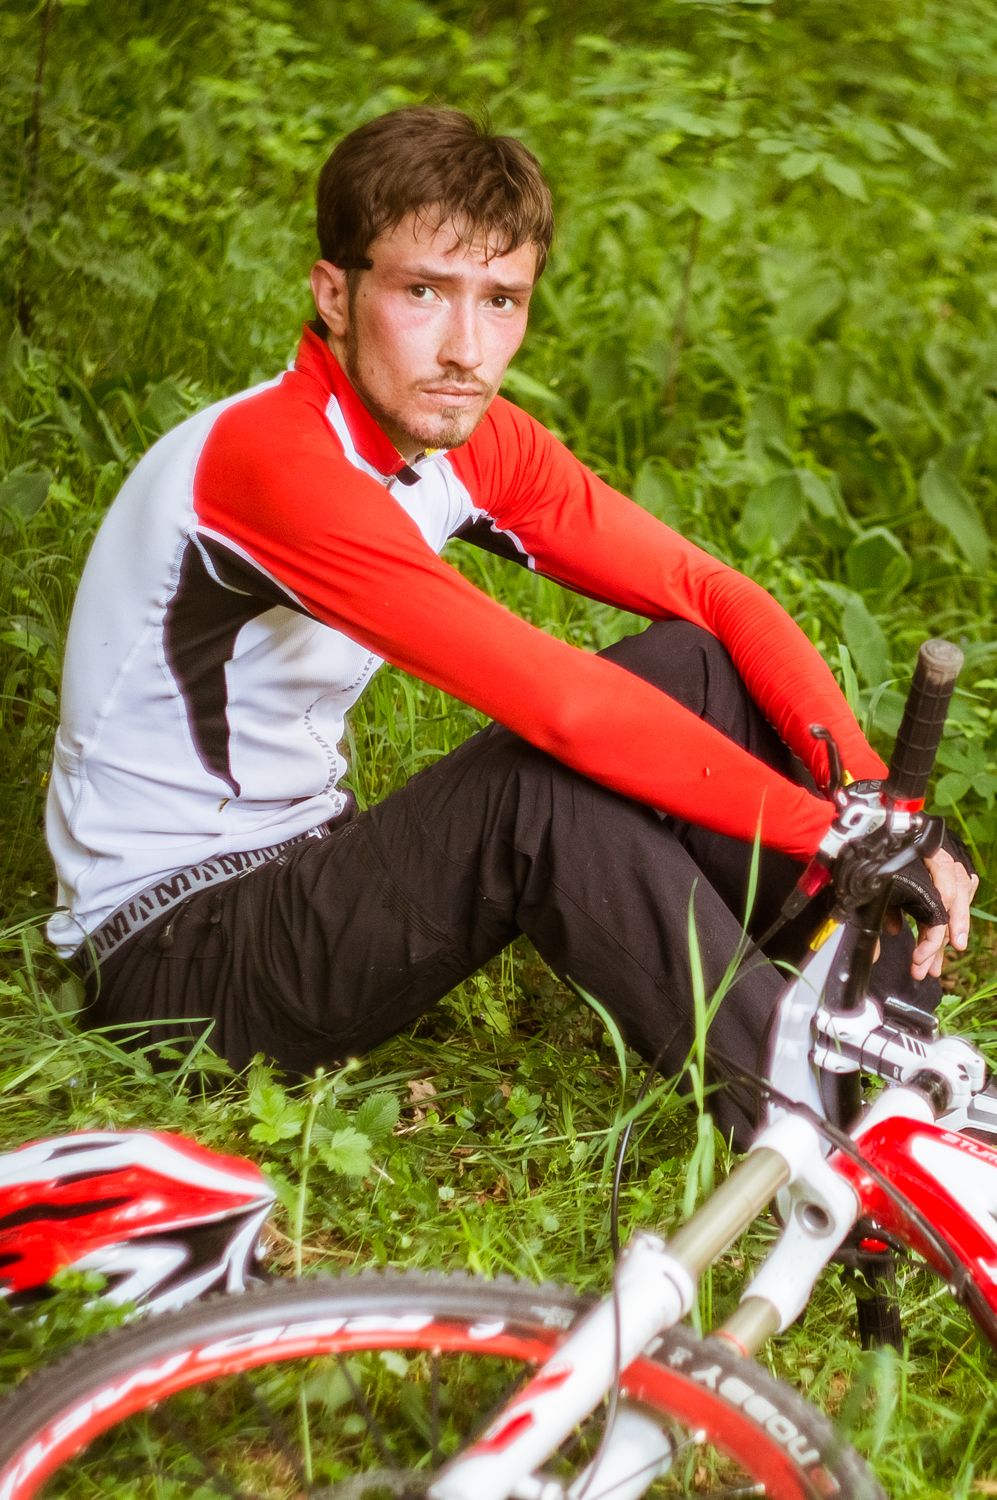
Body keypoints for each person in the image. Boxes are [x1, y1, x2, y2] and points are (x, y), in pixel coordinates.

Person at [46, 107, 976, 1145]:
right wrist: (829, 831)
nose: (464, 349)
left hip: (304, 866)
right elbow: (566, 708)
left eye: (500, 302)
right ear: (334, 294)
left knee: (697, 664)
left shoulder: (463, 440)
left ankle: (858, 1000)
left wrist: (871, 802)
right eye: (421, 292)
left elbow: (712, 592)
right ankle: (833, 1132)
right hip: (173, 963)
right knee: (539, 794)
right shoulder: (270, 463)